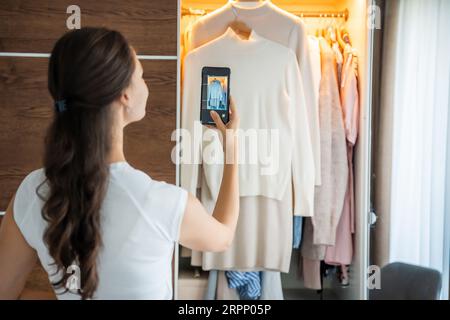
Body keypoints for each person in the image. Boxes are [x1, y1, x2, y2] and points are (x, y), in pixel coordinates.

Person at [0, 27, 240, 300]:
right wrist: (231, 148)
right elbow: (224, 236)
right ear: (125, 95)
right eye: (141, 75)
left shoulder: (32, 193)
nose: (144, 82)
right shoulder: (163, 202)